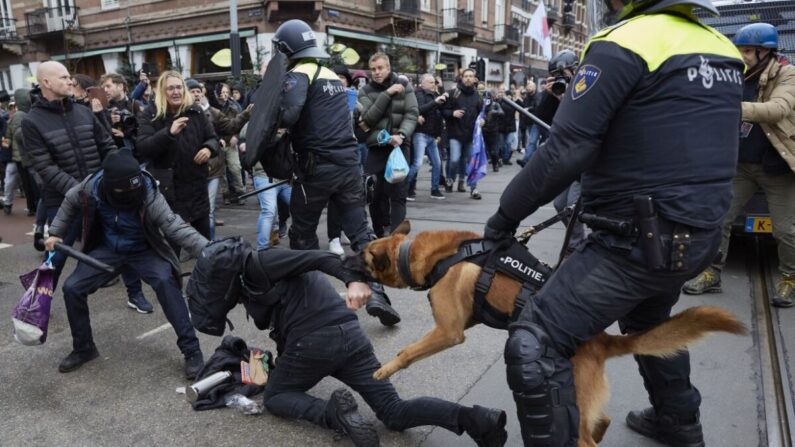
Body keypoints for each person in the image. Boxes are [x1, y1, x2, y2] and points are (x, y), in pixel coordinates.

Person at [482, 0, 744, 444]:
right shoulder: (720, 46)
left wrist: (503, 220)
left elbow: (566, 149)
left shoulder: (625, 41)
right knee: (649, 321)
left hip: (637, 237)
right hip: (697, 232)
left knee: (535, 340)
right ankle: (679, 424)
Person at [195, 242, 508, 447]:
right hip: (349, 337)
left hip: (314, 341)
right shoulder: (248, 281)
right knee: (394, 412)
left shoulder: (262, 261)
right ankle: (476, 418)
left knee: (276, 397)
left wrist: (355, 280)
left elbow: (322, 257)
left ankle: (333, 413)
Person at [271, 19, 400, 326]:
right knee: (360, 233)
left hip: (316, 171)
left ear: (287, 49)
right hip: (348, 168)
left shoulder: (299, 74)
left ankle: (308, 304)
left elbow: (288, 116)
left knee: (302, 238)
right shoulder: (332, 76)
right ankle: (379, 293)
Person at [44, 150, 205, 378]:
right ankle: (84, 348)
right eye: (123, 191)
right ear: (110, 187)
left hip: (143, 249)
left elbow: (175, 227)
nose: (131, 195)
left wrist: (210, 250)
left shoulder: (149, 192)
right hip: (108, 249)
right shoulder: (92, 186)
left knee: (165, 282)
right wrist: (56, 232)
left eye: (134, 189)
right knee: (72, 288)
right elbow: (70, 200)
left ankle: (192, 351)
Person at [683, 23, 795, 308]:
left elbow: (778, 109)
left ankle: (789, 279)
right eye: (740, 49)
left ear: (764, 52)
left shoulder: (787, 74)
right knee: (718, 219)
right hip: (741, 163)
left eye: (747, 50)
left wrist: (729, 107)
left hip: (776, 165)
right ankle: (712, 273)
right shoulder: (735, 75)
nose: (742, 55)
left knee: (785, 230)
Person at [23, 62, 116, 288]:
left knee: (121, 241)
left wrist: (116, 173)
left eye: (70, 78)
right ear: (46, 82)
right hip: (62, 200)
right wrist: (81, 190)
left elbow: (106, 145)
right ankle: (36, 303)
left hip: (98, 192)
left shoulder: (83, 111)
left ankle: (135, 294)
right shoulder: (31, 121)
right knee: (56, 256)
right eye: (64, 78)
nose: (70, 82)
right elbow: (45, 167)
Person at [136, 70, 219, 249]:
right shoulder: (151, 114)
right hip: (168, 192)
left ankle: (209, 275)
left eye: (179, 87)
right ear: (162, 92)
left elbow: (212, 138)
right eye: (171, 88)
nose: (176, 92)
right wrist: (168, 133)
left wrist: (208, 148)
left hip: (196, 188)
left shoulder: (195, 111)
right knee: (172, 247)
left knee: (205, 244)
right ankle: (174, 277)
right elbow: (143, 148)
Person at [358, 53, 419, 235]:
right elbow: (368, 118)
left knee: (399, 194)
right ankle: (379, 234)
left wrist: (401, 134)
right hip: (377, 148)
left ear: (388, 68)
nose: (377, 72)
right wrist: (387, 93)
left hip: (400, 146)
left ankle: (396, 239)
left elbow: (412, 113)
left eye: (380, 68)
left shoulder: (405, 86)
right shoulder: (365, 91)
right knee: (376, 195)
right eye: (373, 69)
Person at [187, 79, 251, 239]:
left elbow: (230, 126)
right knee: (194, 211)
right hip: (191, 170)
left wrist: (245, 114)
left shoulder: (213, 113)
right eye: (192, 91)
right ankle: (197, 242)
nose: (196, 94)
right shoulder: (182, 114)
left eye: (198, 91)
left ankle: (210, 244)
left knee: (209, 209)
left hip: (213, 168)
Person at [442, 68, 482, 199]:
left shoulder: (477, 95)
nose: (468, 78)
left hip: (471, 135)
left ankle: (473, 188)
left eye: (471, 76)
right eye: (466, 76)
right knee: (454, 160)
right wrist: (452, 113)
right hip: (455, 133)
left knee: (471, 162)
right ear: (462, 78)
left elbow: (483, 113)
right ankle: (450, 180)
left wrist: (483, 120)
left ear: (474, 79)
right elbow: (444, 111)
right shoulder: (454, 93)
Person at [408, 73, 446, 199]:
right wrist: (435, 102)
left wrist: (439, 133)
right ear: (423, 83)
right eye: (430, 82)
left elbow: (440, 114)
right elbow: (419, 109)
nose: (433, 84)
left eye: (434, 82)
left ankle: (434, 190)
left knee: (437, 163)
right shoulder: (419, 93)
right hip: (420, 134)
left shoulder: (435, 94)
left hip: (432, 135)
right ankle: (403, 187)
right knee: (417, 163)